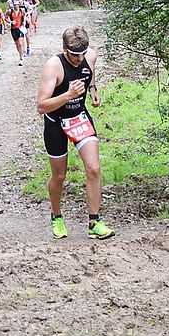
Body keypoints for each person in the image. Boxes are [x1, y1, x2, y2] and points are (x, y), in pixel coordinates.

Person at [36, 26, 113, 240]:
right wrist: (68, 95)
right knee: (59, 176)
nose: (79, 60)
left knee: (94, 168)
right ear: (64, 49)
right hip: (56, 122)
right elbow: (41, 106)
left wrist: (93, 89)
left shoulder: (90, 56)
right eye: (74, 55)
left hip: (79, 117)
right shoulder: (54, 66)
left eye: (82, 55)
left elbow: (90, 71)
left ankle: (94, 222)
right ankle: (56, 216)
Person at [7, 0, 28, 67]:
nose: (16, 6)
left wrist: (24, 22)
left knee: (20, 43)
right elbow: (5, 17)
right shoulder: (10, 11)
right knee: (17, 44)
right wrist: (11, 22)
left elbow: (24, 16)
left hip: (20, 28)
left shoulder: (22, 10)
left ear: (19, 4)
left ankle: (21, 58)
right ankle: (20, 54)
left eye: (17, 4)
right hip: (13, 29)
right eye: (15, 4)